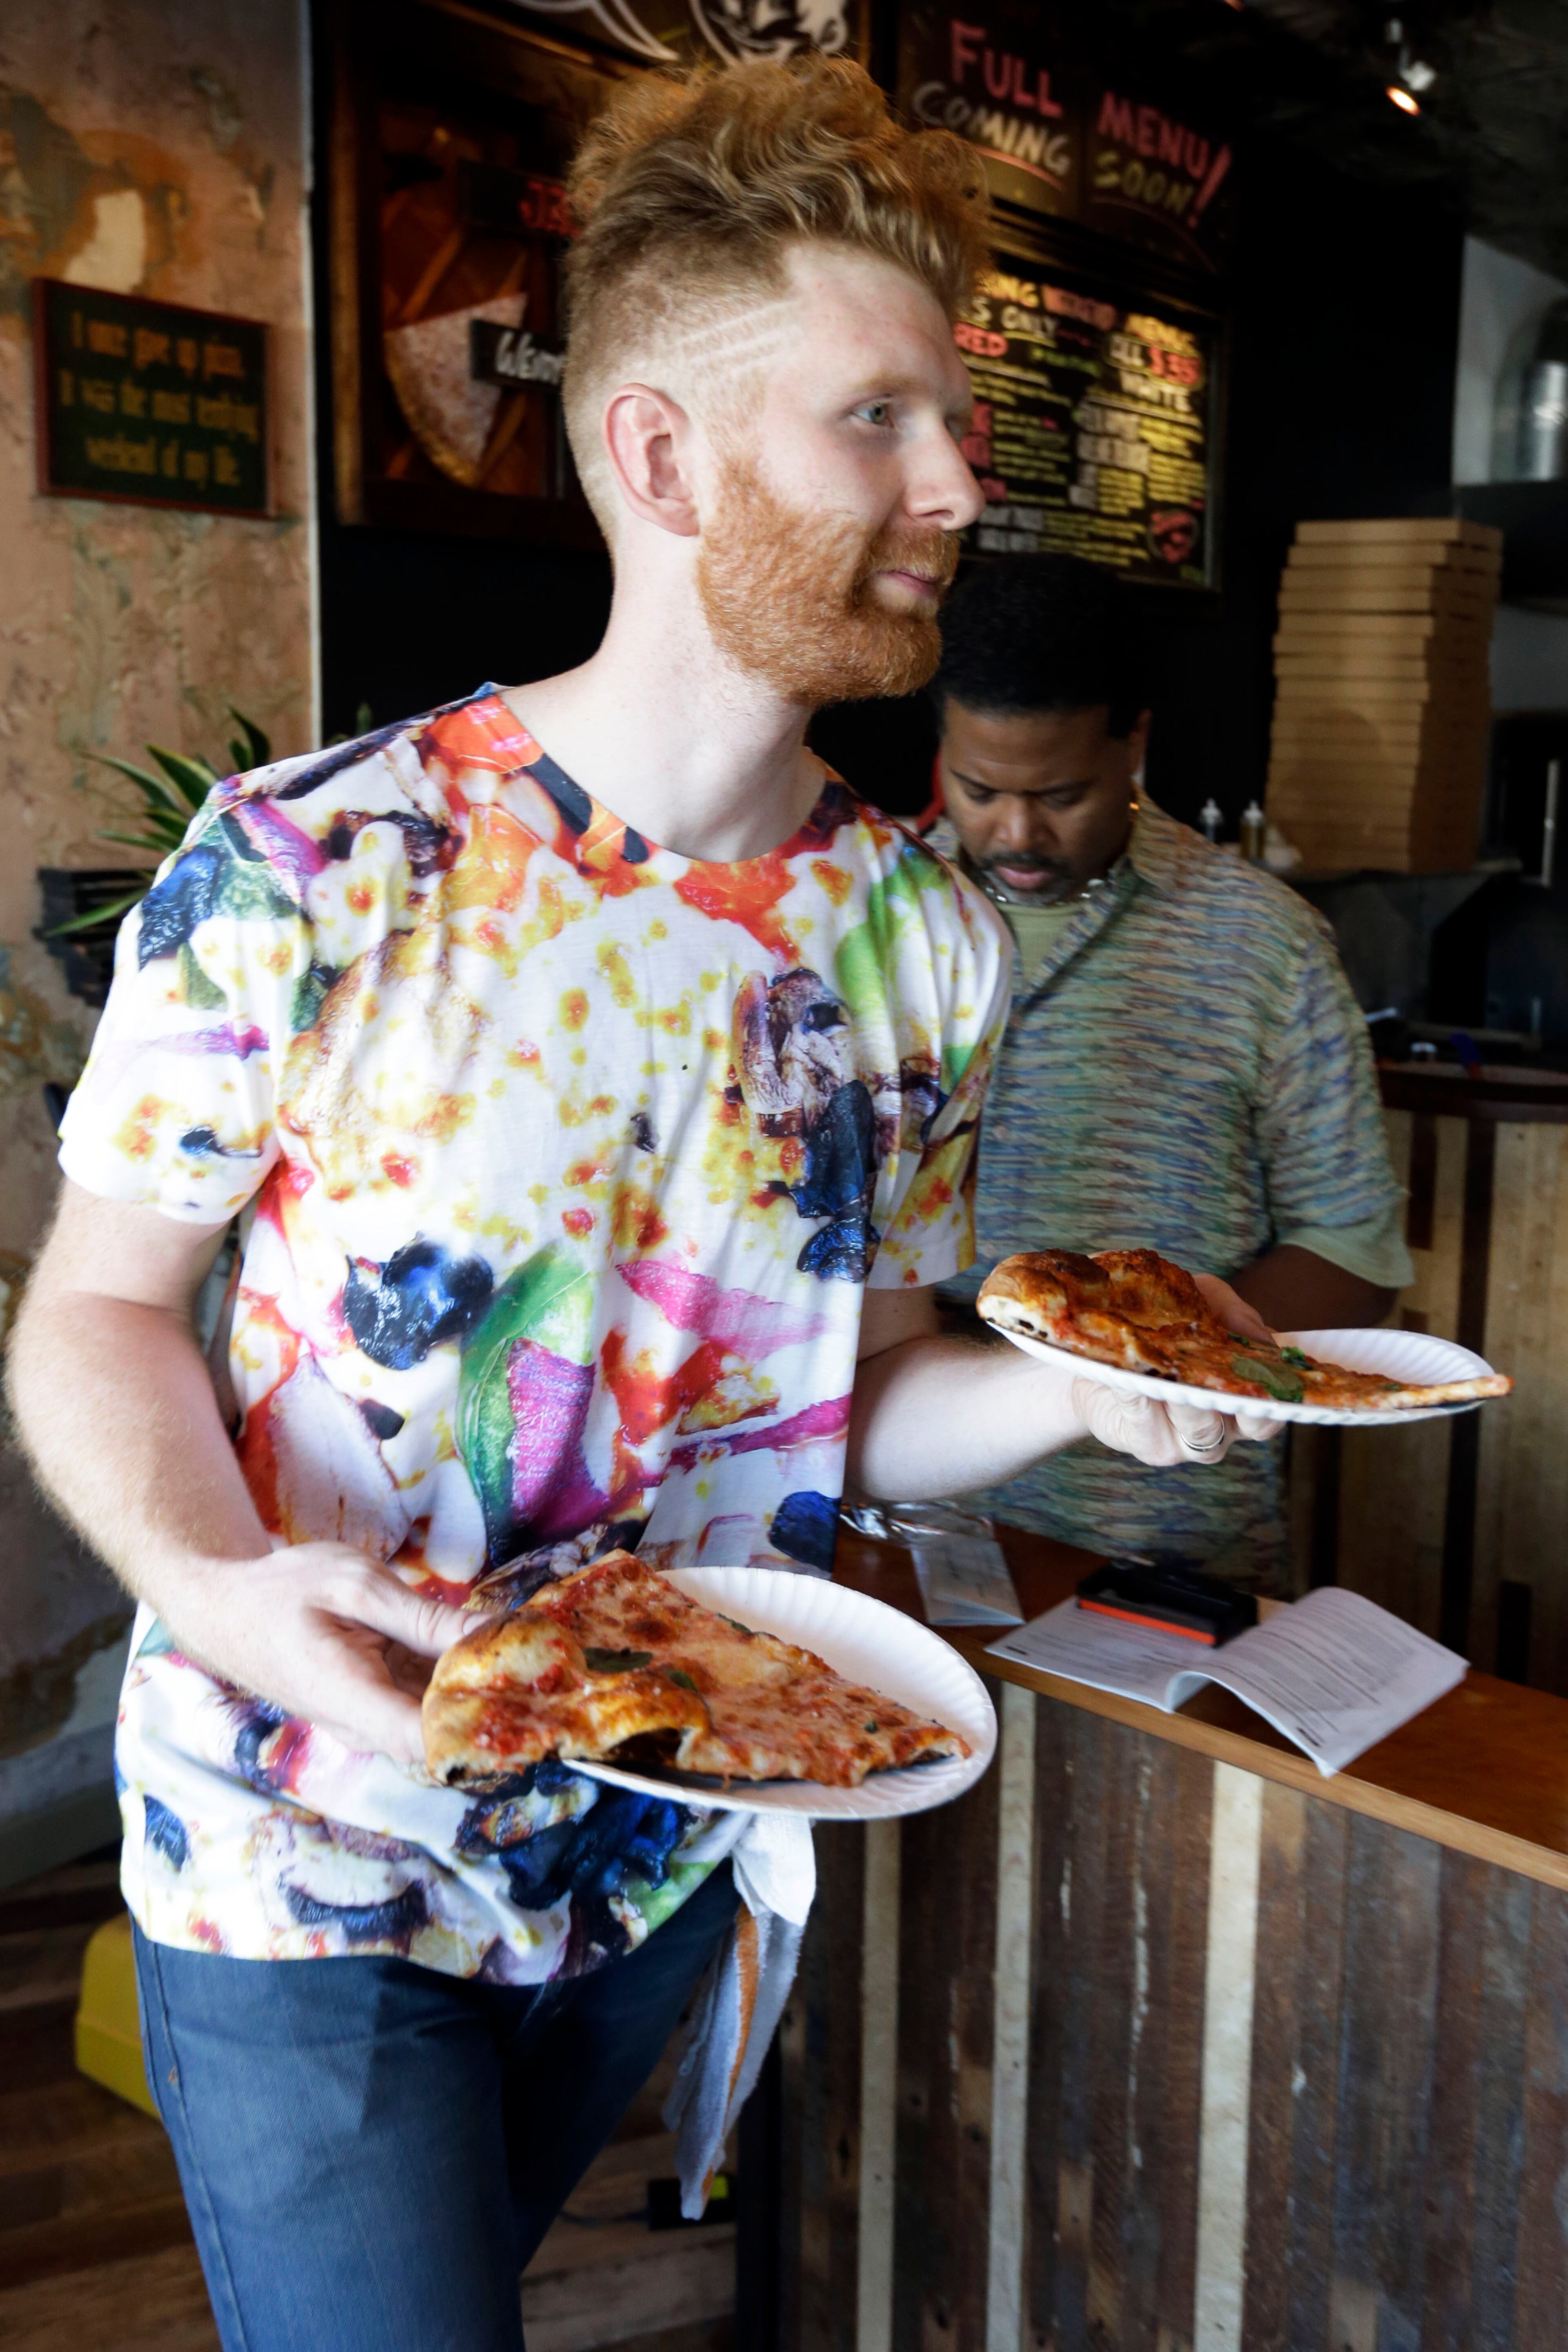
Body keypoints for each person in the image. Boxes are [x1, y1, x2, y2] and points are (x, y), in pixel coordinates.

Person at [7, 64, 1274, 2351]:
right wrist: (212, 1586)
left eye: (954, 422)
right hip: (310, 1825)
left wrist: (1089, 1389)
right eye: (878, 419)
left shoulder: (927, 944)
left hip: (662, 1836)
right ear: (664, 459)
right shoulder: (320, 859)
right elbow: (96, 1310)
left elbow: (858, 1395)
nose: (958, 484)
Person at [929, 552, 1412, 1588]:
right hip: (910, 1512)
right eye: (978, 788)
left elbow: (1355, 1247)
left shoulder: (1266, 941)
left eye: (1060, 794)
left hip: (1170, 1519)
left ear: (1134, 743)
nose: (1015, 831)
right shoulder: (876, 917)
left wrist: (1151, 1347)